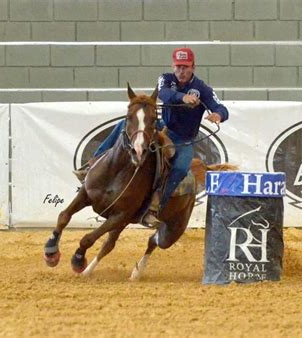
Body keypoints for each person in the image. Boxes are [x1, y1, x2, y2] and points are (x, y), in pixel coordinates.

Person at [74, 47, 229, 227]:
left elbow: (220, 107)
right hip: (162, 127)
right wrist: (182, 97)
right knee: (121, 126)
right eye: (178, 66)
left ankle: (154, 206)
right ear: (173, 66)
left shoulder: (202, 89)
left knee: (180, 168)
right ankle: (92, 165)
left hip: (183, 139)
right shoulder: (166, 79)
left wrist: (218, 115)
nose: (181, 71)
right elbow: (164, 93)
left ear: (193, 67)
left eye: (185, 67)